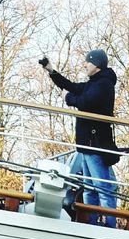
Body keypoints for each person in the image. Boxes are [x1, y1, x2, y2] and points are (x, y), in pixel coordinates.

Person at [41, 50, 119, 228]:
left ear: (97, 64)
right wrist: (51, 71)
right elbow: (72, 86)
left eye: (87, 62)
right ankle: (92, 223)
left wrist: (68, 98)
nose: (84, 64)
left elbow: (85, 102)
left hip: (95, 143)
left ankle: (110, 226)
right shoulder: (95, 83)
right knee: (90, 187)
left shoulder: (103, 84)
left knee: (102, 187)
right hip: (87, 144)